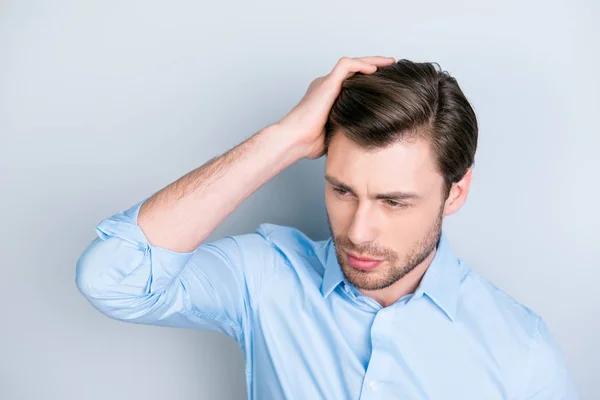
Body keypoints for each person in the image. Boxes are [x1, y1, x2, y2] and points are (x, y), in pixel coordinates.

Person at [75, 56, 578, 399]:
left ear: (456, 193)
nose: (358, 231)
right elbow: (112, 280)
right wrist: (285, 140)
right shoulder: (265, 277)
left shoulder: (522, 350)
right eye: (342, 191)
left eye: (394, 201)